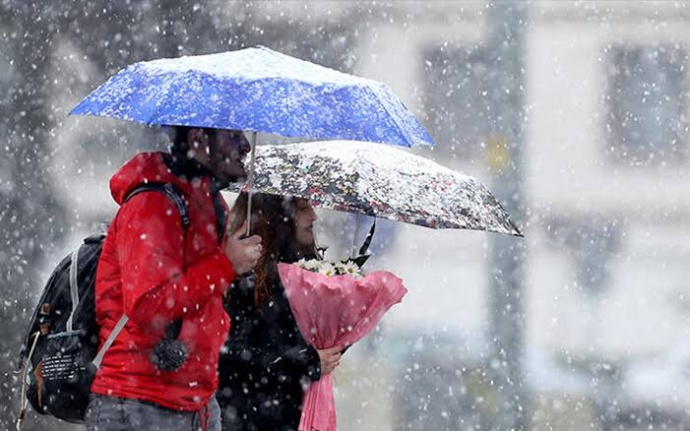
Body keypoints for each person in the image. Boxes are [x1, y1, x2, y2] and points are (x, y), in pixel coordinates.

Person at [85, 127, 263, 431]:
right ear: (197, 139)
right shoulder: (152, 203)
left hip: (199, 401)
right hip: (140, 404)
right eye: (232, 136)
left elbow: (202, 294)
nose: (245, 146)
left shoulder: (211, 202)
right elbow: (148, 304)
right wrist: (226, 265)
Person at [217, 192, 342, 431]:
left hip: (290, 414)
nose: (314, 217)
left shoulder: (302, 272)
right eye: (304, 208)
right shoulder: (242, 275)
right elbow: (236, 354)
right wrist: (308, 361)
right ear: (277, 214)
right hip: (246, 416)